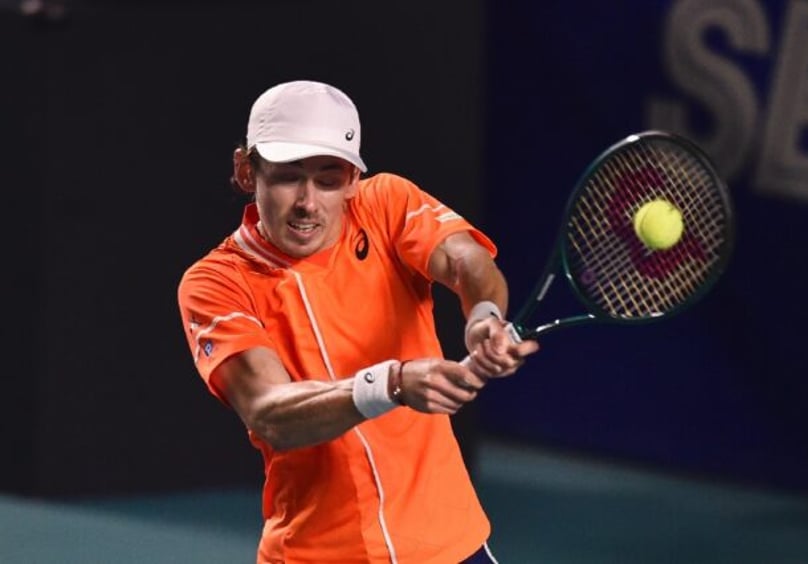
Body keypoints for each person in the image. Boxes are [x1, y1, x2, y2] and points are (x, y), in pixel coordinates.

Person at [177, 80, 539, 564]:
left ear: (351, 180)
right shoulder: (216, 281)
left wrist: (484, 315)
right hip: (316, 553)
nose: (308, 202)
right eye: (288, 177)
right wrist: (390, 383)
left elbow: (465, 261)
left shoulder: (386, 203)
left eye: (329, 179)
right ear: (246, 170)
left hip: (449, 545)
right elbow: (269, 411)